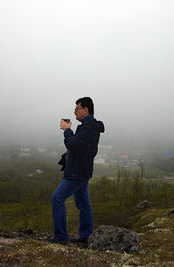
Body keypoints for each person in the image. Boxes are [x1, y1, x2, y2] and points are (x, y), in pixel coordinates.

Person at [47, 97, 105, 244]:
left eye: (77, 108)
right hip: (82, 171)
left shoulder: (88, 127)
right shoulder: (89, 126)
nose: (74, 111)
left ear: (85, 110)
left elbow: (73, 144)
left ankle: (60, 237)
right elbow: (82, 148)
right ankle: (86, 236)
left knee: (57, 198)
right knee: (84, 205)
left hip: (77, 173)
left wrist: (67, 131)